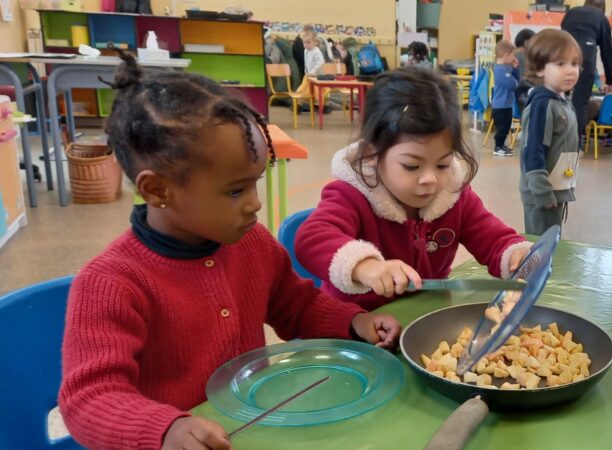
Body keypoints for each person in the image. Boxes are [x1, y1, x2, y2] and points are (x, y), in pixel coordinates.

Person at [58, 50, 400, 449]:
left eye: (256, 182)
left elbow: (296, 306)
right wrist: (163, 429)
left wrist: (353, 323)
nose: (255, 203)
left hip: (252, 431)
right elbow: (89, 398)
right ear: (157, 190)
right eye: (235, 190)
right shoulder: (111, 283)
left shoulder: (251, 243)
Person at [295, 68, 533, 311]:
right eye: (411, 166)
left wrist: (514, 254)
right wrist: (366, 267)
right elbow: (311, 238)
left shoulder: (453, 195)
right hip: (357, 326)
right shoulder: (351, 194)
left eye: (442, 164)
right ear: (371, 154)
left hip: (425, 318)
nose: (430, 179)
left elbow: (491, 237)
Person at [518, 29, 581, 235]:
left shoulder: (562, 101)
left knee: (552, 244)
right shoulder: (542, 105)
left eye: (574, 63)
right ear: (539, 69)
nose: (570, 70)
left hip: (556, 189)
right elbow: (533, 150)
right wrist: (543, 192)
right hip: (542, 194)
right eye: (560, 64)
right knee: (540, 248)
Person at [561, 0, 612, 140]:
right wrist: (609, 80)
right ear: (602, 8)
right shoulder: (601, 18)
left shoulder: (571, 12)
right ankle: (575, 145)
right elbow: (607, 52)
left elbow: (562, 33)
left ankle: (556, 138)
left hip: (564, 52)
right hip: (586, 53)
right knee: (579, 102)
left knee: (560, 98)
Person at [492, 40, 519, 157]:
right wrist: (514, 78)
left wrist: (515, 68)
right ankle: (497, 147)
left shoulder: (506, 68)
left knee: (506, 126)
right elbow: (513, 84)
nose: (513, 57)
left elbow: (516, 80)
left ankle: (502, 145)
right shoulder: (500, 70)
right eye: (512, 54)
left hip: (506, 104)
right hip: (500, 106)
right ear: (505, 55)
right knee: (502, 128)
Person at [514, 28, 537, 114]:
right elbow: (524, 79)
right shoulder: (523, 57)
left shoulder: (513, 55)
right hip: (522, 95)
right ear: (526, 42)